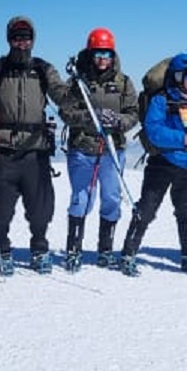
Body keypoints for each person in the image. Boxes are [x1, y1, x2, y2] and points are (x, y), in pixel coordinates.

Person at [118, 53, 187, 277]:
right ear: (178, 76)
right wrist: (183, 139)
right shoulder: (162, 100)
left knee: (186, 212)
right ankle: (128, 254)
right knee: (147, 209)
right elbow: (154, 131)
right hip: (162, 163)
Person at [0, 16, 69, 275]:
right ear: (9, 40)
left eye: (26, 38)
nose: (22, 43)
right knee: (1, 207)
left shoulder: (42, 69)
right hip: (2, 149)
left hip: (35, 150)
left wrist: (75, 88)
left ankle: (40, 248)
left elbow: (61, 95)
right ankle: (1, 248)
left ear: (33, 40)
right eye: (17, 38)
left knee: (40, 208)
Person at [58, 27, 139, 272]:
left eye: (107, 54)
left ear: (113, 55)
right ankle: (74, 250)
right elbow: (66, 111)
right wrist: (90, 117)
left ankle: (105, 250)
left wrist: (118, 121)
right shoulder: (78, 82)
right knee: (82, 198)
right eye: (98, 54)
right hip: (84, 148)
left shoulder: (123, 82)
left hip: (112, 149)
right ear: (90, 54)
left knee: (112, 198)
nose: (103, 59)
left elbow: (133, 113)